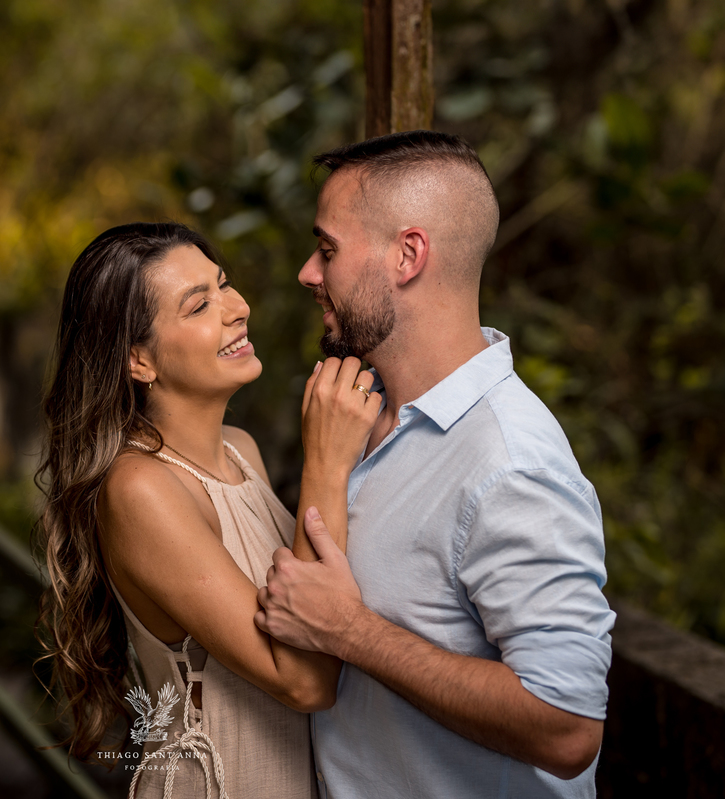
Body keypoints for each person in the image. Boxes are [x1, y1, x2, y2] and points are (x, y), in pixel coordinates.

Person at [254, 131, 616, 798]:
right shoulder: (354, 416)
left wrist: (350, 632)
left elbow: (567, 728)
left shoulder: (511, 463)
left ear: (408, 255)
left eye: (328, 249)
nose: (308, 272)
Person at [35, 222, 380, 797]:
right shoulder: (140, 488)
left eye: (224, 285)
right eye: (199, 305)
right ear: (138, 360)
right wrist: (325, 461)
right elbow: (304, 681)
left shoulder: (240, 450)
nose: (238, 308)